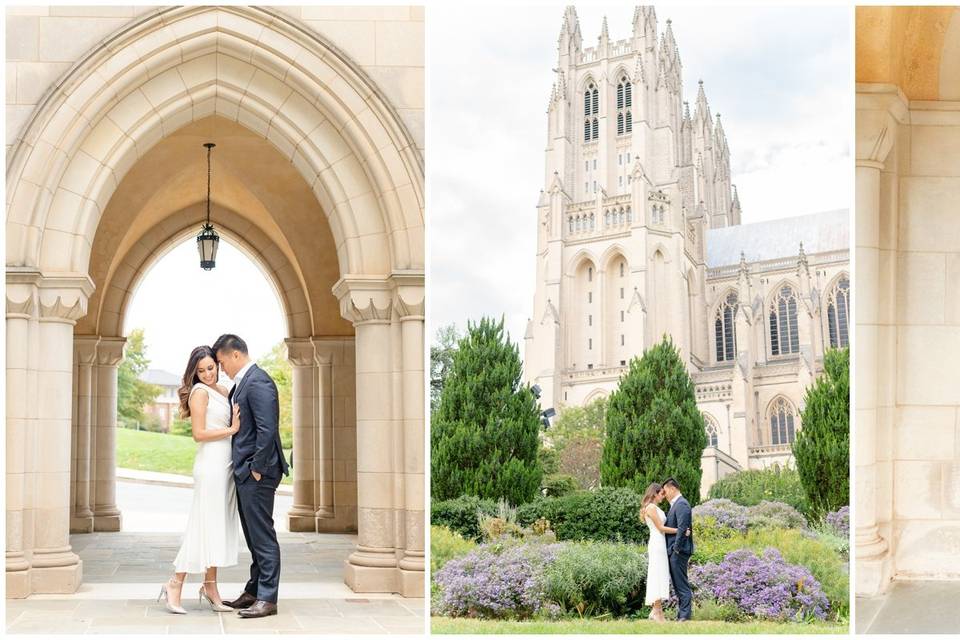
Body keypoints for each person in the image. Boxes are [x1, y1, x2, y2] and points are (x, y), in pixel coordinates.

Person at [159, 346, 241, 614]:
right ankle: (175, 583)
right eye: (201, 370)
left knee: (217, 526)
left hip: (226, 465)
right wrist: (231, 429)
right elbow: (199, 433)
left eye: (211, 368)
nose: (207, 373)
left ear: (217, 365)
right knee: (203, 525)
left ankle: (210, 586)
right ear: (194, 373)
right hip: (210, 465)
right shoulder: (199, 393)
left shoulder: (224, 391)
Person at [215, 334, 290, 619]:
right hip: (248, 471)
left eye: (222, 363)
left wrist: (255, 467)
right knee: (253, 535)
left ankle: (268, 598)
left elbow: (267, 429)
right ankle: (255, 590)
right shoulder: (243, 383)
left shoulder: (258, 381)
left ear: (235, 355)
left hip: (258, 472)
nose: (222, 369)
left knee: (262, 536)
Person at [640, 482, 681, 623]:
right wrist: (679, 530)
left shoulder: (654, 507)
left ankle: (657, 611)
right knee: (657, 575)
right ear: (655, 493)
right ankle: (657, 612)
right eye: (662, 493)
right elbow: (661, 528)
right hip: (657, 544)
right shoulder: (651, 508)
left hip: (660, 544)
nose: (663, 496)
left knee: (660, 575)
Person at [663, 477, 695, 622]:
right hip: (674, 551)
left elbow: (683, 528)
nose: (664, 494)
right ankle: (681, 615)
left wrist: (676, 549)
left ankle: (684, 616)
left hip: (679, 551)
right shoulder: (675, 505)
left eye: (665, 491)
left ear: (672, 489)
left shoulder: (682, 504)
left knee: (681, 584)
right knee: (677, 584)